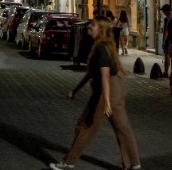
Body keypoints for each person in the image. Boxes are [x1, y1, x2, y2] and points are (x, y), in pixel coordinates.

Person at [49, 17, 142, 170]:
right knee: (123, 128)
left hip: (107, 91)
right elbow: (91, 72)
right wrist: (76, 90)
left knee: (85, 125)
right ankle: (134, 164)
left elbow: (104, 74)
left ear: (101, 30)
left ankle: (68, 162)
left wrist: (105, 102)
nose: (88, 27)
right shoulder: (105, 46)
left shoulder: (101, 48)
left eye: (93, 25)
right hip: (116, 87)